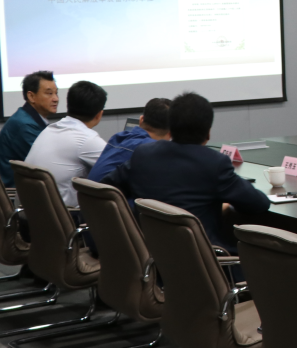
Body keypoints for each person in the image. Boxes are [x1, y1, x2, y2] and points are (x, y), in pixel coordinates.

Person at [101, 92, 269, 252]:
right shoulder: (214, 163)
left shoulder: (142, 154)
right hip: (205, 261)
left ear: (170, 129)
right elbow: (259, 204)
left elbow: (105, 190)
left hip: (151, 258)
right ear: (208, 133)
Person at [23, 80, 107, 208]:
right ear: (99, 114)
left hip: (30, 211)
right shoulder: (87, 139)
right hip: (62, 215)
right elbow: (118, 168)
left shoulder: (50, 129)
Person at [0, 70, 58, 187]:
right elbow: (48, 165)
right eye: (49, 93)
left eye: (56, 93)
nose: (55, 99)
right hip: (12, 192)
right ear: (31, 96)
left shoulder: (27, 118)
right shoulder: (25, 125)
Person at [88, 98, 171, 182]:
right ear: (172, 132)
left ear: (141, 120)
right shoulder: (152, 151)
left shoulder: (118, 138)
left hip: (91, 189)